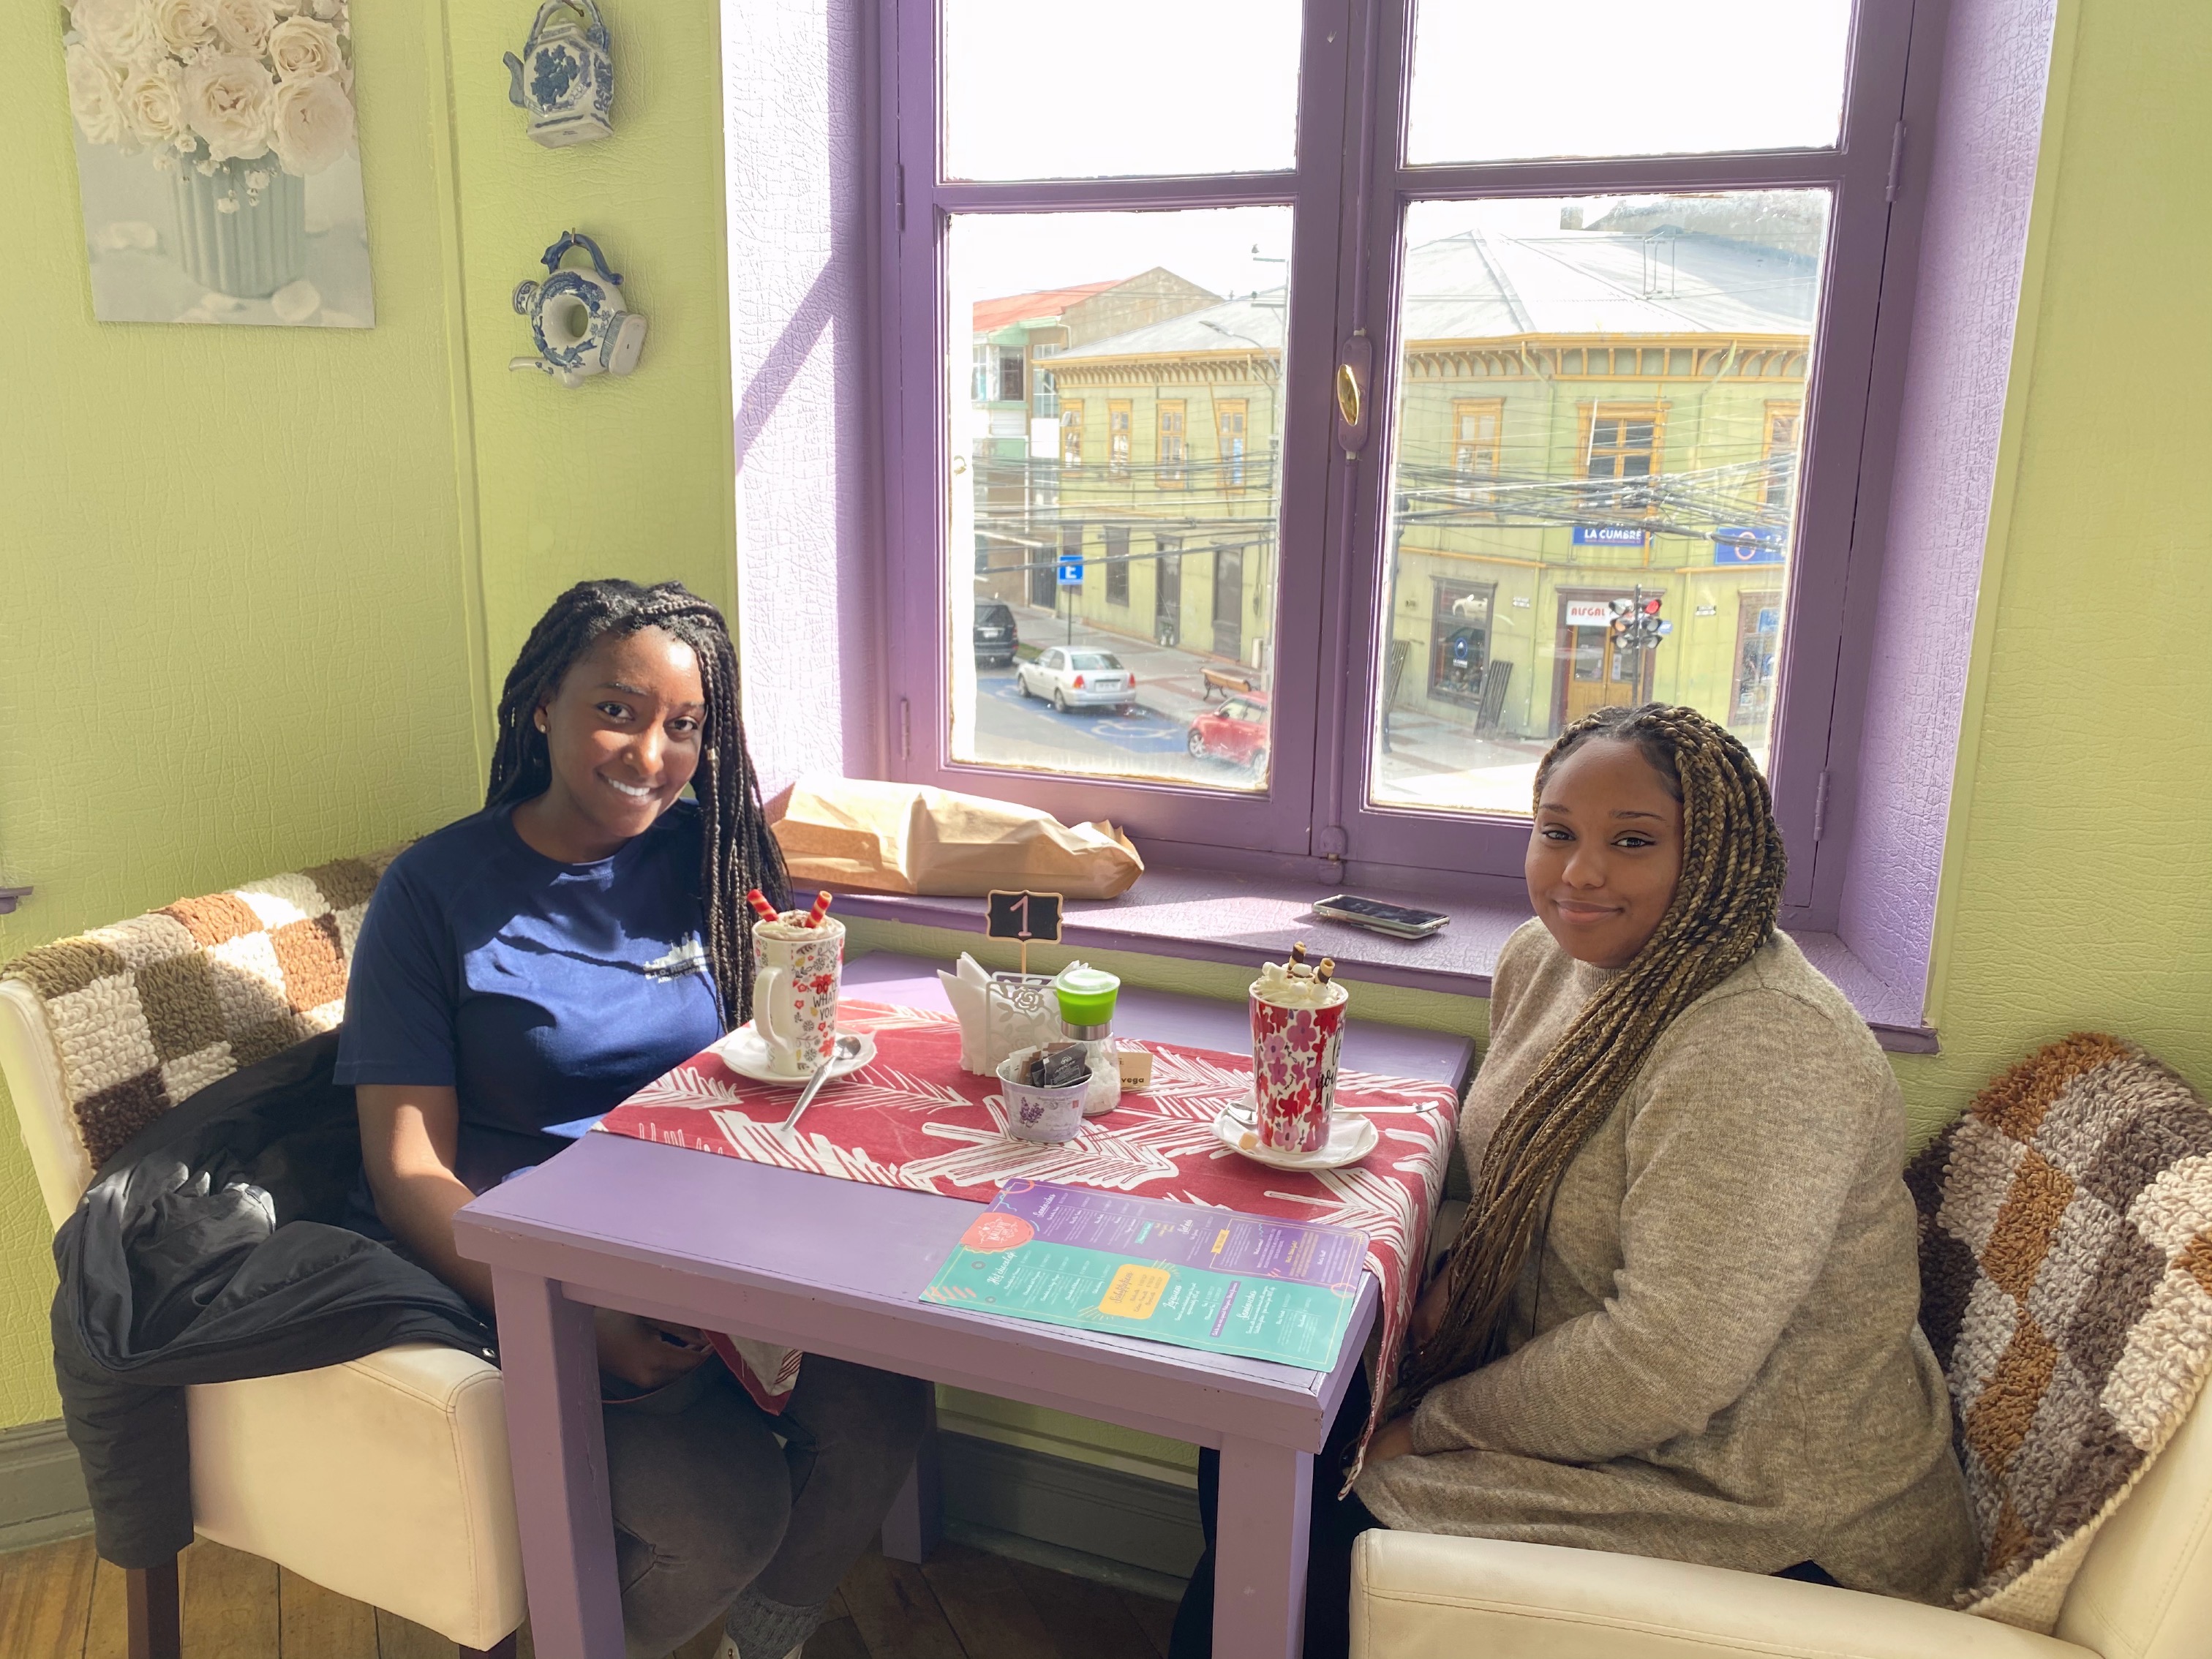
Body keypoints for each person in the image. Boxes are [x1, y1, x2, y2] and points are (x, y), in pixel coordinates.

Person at [1170, 702, 1974, 1659]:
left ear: (1719, 855)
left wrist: (1433, 1426)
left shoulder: (1763, 1046)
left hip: (1751, 1483)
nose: (1580, 872)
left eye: (1633, 841)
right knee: (1253, 1402)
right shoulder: (1547, 960)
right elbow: (1512, 1185)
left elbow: (1664, 1366)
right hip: (1609, 1396)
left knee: (1319, 1529)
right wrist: (1443, 1291)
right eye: (1557, 833)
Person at [337, 579, 928, 1659]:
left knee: (885, 1408)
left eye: (685, 726)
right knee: (721, 1516)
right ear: (541, 708)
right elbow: (405, 1166)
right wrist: (562, 1309)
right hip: (527, 1276)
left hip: (716, 1259)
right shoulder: (435, 893)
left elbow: (779, 1054)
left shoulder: (710, 858)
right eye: (617, 710)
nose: (651, 753)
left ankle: (759, 1642)